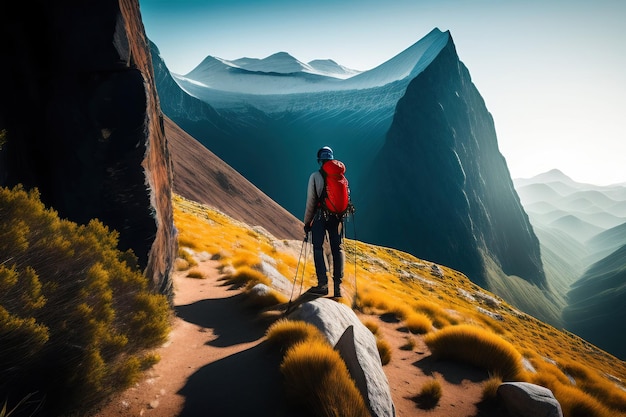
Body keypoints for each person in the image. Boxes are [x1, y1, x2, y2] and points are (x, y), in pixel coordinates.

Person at [303, 146, 347, 298]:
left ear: (319, 160)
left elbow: (311, 202)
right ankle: (338, 289)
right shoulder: (341, 177)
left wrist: (307, 223)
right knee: (337, 249)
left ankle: (322, 284)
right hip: (337, 218)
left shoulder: (315, 176)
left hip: (321, 216)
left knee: (318, 248)